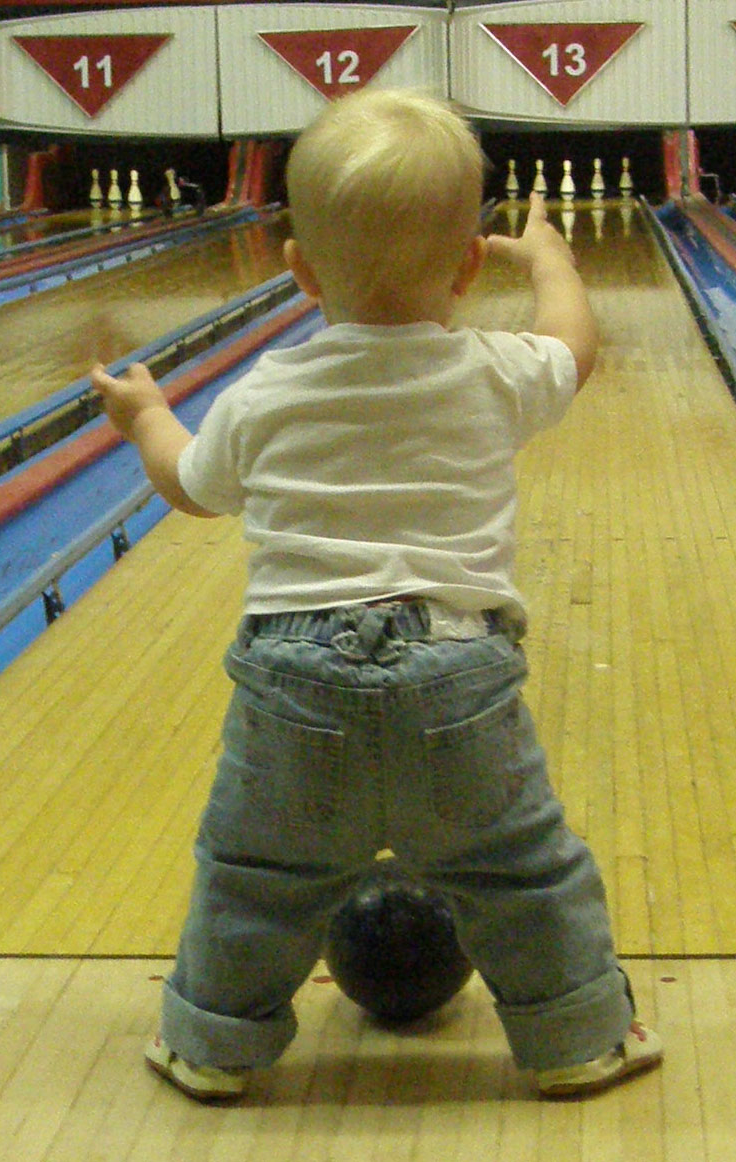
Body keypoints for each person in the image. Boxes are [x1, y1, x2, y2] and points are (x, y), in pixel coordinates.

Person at [91, 88, 662, 1102]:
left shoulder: (265, 391)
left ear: (301, 271)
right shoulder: (493, 371)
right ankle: (578, 1035)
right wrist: (553, 259)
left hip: (289, 681)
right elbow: (576, 346)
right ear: (468, 266)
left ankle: (211, 1044)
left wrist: (146, 417)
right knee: (523, 869)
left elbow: (190, 486)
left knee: (253, 875)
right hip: (461, 673)